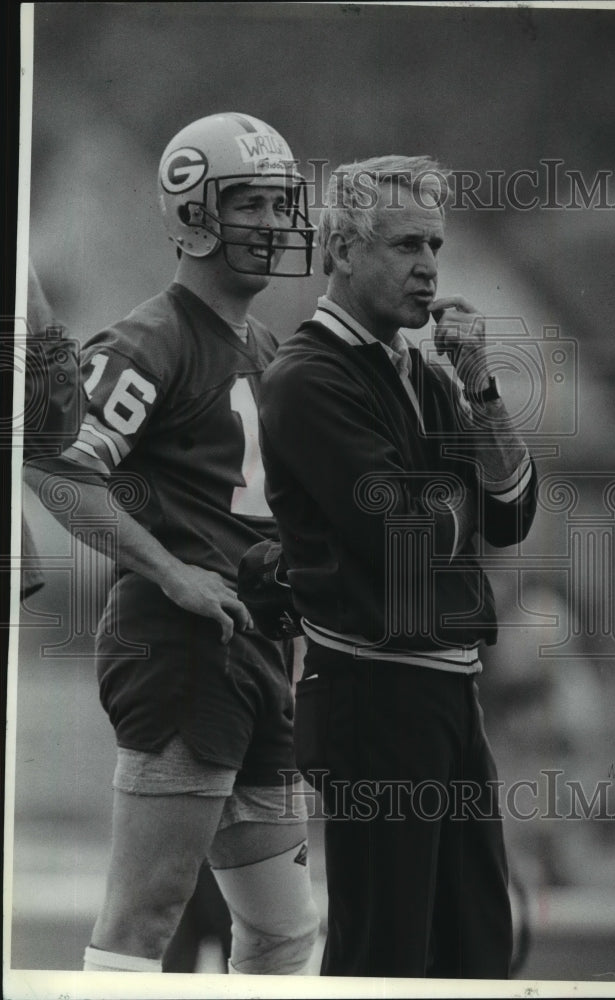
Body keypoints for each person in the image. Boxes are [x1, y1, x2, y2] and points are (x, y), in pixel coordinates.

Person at [23, 112, 320, 975]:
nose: (272, 224)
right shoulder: (152, 338)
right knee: (145, 919)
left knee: (282, 930)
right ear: (192, 214)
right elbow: (53, 466)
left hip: (255, 651)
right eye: (250, 204)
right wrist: (171, 571)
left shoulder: (261, 343)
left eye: (280, 203)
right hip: (182, 652)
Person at [258, 155, 538, 978]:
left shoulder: (426, 371)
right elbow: (406, 538)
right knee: (384, 956)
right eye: (406, 243)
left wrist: (481, 390)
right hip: (371, 692)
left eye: (436, 247)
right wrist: (450, 497)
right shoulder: (306, 376)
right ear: (341, 249)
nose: (428, 266)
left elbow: (511, 511)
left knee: (476, 950)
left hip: (449, 689)